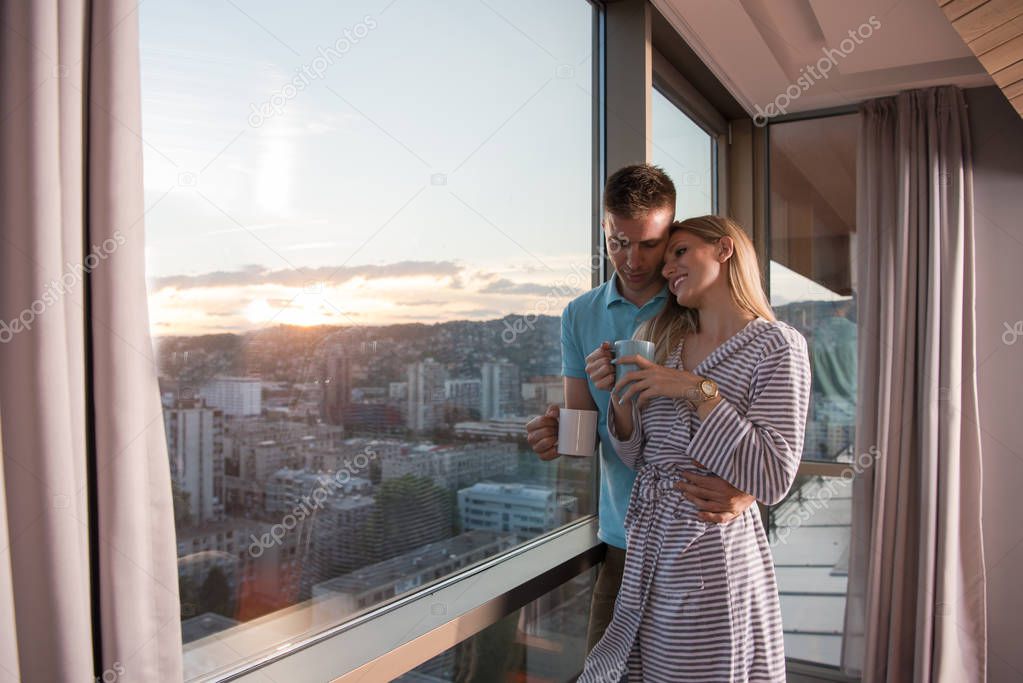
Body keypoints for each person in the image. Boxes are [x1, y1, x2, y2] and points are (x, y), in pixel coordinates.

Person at [524, 166, 756, 652]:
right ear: (605, 232)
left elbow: (759, 415)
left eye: (649, 244)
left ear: (671, 232)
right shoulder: (579, 314)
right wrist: (555, 431)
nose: (631, 259)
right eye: (617, 242)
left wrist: (750, 492)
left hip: (700, 535)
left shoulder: (697, 302)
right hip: (623, 536)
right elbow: (581, 440)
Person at [576, 215, 812, 683]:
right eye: (667, 261)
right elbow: (639, 458)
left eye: (679, 252)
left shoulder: (777, 347)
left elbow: (771, 477)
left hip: (710, 556)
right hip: (648, 549)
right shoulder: (667, 342)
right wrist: (619, 392)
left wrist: (698, 391)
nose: (667, 269)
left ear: (724, 250)